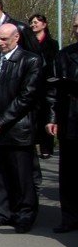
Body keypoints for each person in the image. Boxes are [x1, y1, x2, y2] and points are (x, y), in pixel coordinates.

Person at [0, 24, 43, 233]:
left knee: (21, 177)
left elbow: (26, 97)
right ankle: (2, 213)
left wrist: (1, 121)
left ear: (17, 38)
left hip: (17, 129)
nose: (1, 43)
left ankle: (25, 214)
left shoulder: (30, 60)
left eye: (5, 39)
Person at [47, 13, 78, 233]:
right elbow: (52, 91)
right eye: (75, 25)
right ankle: (69, 217)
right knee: (69, 173)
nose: (76, 29)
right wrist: (52, 118)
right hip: (70, 119)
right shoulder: (65, 55)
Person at [29, 13, 59, 159]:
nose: (33, 24)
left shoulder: (52, 43)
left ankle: (46, 147)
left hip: (46, 83)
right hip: (33, 83)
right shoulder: (27, 42)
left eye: (36, 22)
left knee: (46, 114)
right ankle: (33, 144)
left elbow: (53, 63)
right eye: (32, 22)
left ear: (44, 25)